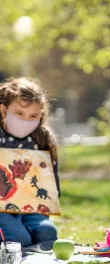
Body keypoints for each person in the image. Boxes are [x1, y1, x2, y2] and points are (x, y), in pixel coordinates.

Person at [0, 77, 59, 247]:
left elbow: (51, 179)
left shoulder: (42, 137)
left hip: (31, 207)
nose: (25, 121)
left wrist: (47, 206)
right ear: (4, 111)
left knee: (48, 232)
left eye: (33, 116)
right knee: (19, 239)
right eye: (19, 113)